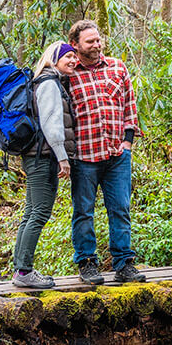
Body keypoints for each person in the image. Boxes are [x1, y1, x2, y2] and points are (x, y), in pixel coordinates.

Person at [66, 19, 146, 284]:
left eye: (98, 39)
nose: (96, 45)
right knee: (83, 212)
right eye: (90, 41)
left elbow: (129, 105)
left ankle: (124, 264)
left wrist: (128, 142)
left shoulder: (117, 67)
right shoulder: (68, 73)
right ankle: (87, 264)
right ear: (75, 45)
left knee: (120, 208)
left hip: (116, 155)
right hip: (84, 157)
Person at [12, 41, 79, 289]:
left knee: (30, 212)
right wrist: (63, 157)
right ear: (54, 59)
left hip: (35, 155)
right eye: (68, 56)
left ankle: (20, 270)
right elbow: (52, 124)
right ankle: (24, 271)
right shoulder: (50, 83)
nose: (73, 60)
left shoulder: (45, 81)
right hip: (44, 156)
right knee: (39, 212)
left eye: (74, 56)